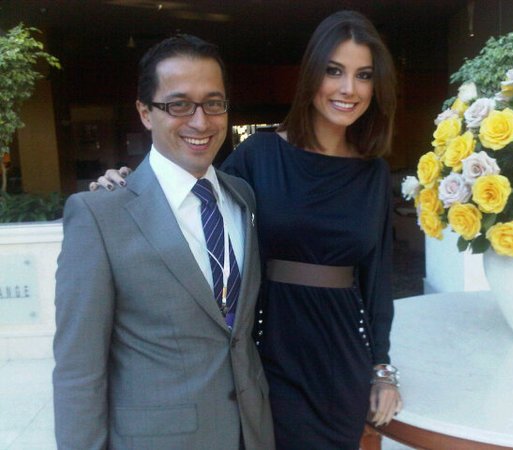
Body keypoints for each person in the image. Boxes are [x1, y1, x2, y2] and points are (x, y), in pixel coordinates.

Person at [93, 10, 402, 449]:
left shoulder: (373, 173)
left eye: (364, 75)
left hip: (340, 362)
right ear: (312, 74)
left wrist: (382, 368)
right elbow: (194, 196)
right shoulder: (261, 153)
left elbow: (377, 278)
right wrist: (129, 184)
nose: (348, 88)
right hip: (268, 354)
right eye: (334, 71)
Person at [53, 34, 275, 450]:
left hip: (252, 431)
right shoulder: (101, 216)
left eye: (213, 103)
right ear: (145, 112)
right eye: (179, 105)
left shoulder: (242, 197)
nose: (201, 122)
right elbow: (78, 372)